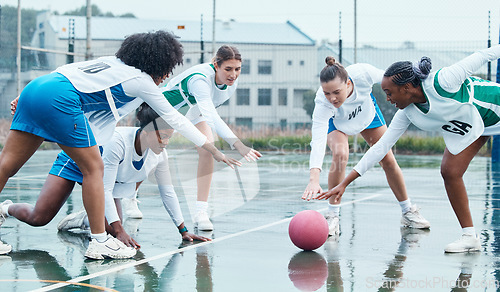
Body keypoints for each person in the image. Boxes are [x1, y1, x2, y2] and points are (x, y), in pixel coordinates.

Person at [0, 30, 239, 260]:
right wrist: (212, 148)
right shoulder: (142, 81)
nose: (167, 76)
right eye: (166, 70)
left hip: (37, 88)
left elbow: (65, 72)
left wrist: (30, 96)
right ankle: (100, 242)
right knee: (94, 168)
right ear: (156, 64)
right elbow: (176, 118)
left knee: (6, 166)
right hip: (60, 99)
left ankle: (90, 226)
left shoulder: (112, 63)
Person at [316, 44, 500, 253]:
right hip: (478, 125)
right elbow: (380, 148)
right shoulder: (407, 113)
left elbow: (484, 54)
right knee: (450, 171)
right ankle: (469, 237)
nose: (387, 99)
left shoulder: (444, 81)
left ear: (406, 88)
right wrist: (345, 184)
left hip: (495, 109)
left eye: (388, 93)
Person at [302, 57, 430, 235]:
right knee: (340, 155)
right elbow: (317, 141)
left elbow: (390, 77)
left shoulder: (362, 74)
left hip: (367, 115)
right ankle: (332, 217)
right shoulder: (323, 104)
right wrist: (313, 179)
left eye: (336, 92)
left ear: (348, 83)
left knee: (388, 159)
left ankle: (408, 211)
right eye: (326, 93)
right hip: (338, 123)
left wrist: (421, 80)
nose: (331, 98)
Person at [57, 103, 210, 244]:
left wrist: (183, 231)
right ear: (146, 131)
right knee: (39, 218)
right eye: (162, 137)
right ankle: (93, 212)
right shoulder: (117, 141)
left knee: (111, 229)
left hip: (106, 179)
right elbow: (104, 189)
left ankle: (86, 218)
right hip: (77, 164)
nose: (166, 142)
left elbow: (168, 192)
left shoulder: (159, 155)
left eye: (169, 137)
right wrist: (120, 230)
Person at [161, 45, 261, 231]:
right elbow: (212, 117)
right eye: (228, 69)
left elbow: (207, 112)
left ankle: (201, 212)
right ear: (216, 65)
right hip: (168, 110)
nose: (233, 74)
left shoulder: (232, 82)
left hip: (196, 113)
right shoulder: (200, 79)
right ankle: (131, 198)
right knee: (150, 155)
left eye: (237, 69)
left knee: (207, 151)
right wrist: (238, 144)